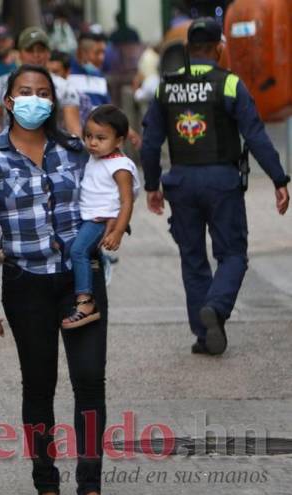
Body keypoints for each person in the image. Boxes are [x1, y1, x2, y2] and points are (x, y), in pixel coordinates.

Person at [0, 65, 120, 495]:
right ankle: (46, 483)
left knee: (90, 381)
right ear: (9, 100)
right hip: (25, 284)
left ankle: (91, 488)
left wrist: (114, 225)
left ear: (53, 101)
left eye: (43, 92)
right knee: (39, 384)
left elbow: (107, 196)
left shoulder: (77, 152)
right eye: (24, 92)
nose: (34, 99)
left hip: (81, 284)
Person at [141, 17, 290, 355]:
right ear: (219, 48)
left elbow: (150, 144)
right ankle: (217, 309)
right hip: (222, 181)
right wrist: (279, 179)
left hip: (180, 181)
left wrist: (152, 185)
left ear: (190, 49)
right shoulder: (229, 84)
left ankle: (204, 333)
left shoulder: (166, 86)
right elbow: (255, 136)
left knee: (193, 259)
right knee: (233, 254)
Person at [62, 105, 138, 330]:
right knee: (76, 250)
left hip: (100, 220)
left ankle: (86, 303)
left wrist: (117, 232)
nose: (92, 142)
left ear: (119, 141)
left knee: (78, 251)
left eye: (101, 138)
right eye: (88, 136)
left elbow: (127, 201)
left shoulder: (120, 166)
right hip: (89, 217)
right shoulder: (96, 158)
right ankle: (101, 263)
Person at [0, 27, 81, 138]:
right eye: (30, 50)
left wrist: (73, 150)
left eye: (41, 50)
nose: (36, 55)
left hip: (53, 150)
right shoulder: (1, 84)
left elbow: (73, 127)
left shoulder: (65, 87)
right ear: (19, 54)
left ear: (48, 53)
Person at [69, 32, 110, 124]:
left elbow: (108, 110)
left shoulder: (100, 77)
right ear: (81, 52)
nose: (101, 58)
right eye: (97, 53)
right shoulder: (67, 75)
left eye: (103, 52)